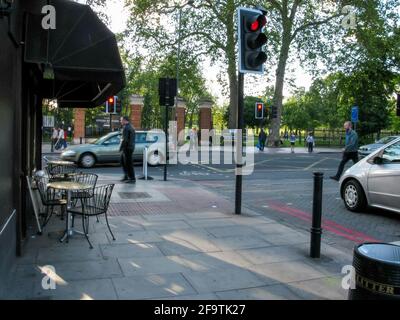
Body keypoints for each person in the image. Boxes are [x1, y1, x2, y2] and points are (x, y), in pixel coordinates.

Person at [119, 116, 136, 183]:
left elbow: (125, 140)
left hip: (127, 148)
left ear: (124, 120)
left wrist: (121, 148)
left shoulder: (126, 127)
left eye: (121, 120)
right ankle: (126, 176)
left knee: (128, 163)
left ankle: (132, 178)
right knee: (122, 161)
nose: (120, 121)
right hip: (130, 147)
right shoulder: (131, 126)